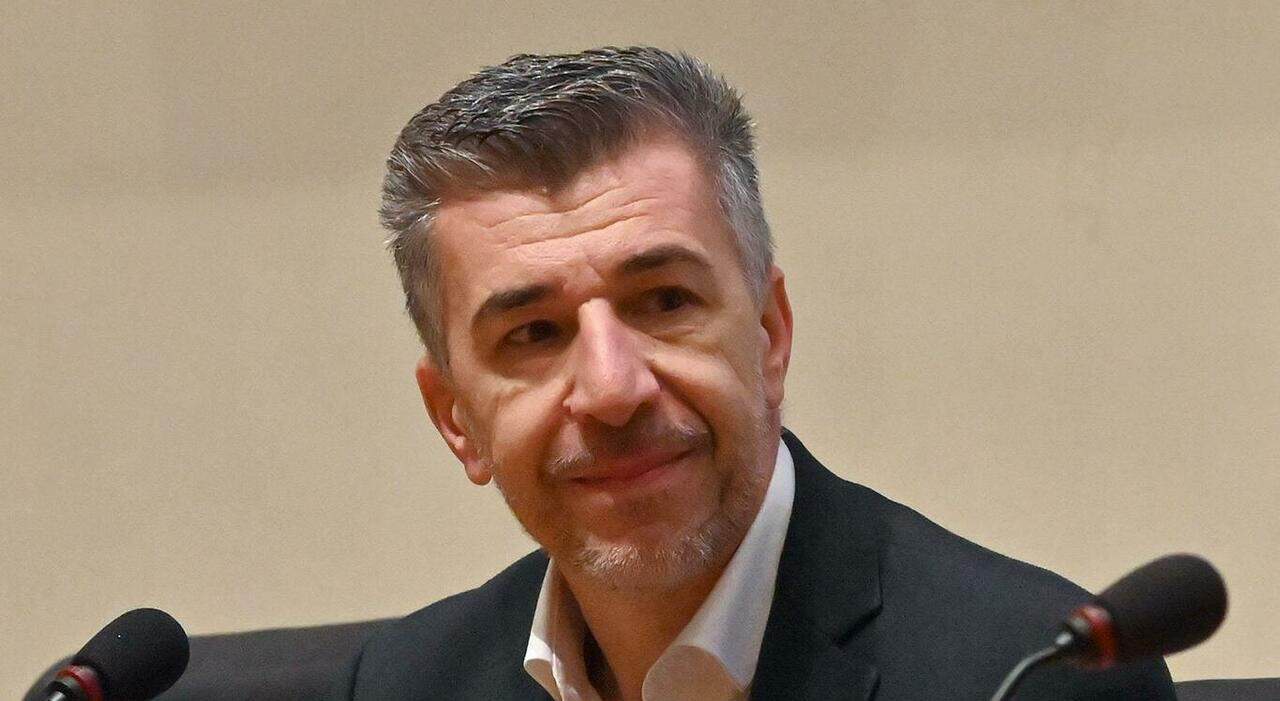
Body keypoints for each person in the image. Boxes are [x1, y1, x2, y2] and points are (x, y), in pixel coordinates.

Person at [329, 47, 1175, 700]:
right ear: (457, 419)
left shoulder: (1030, 676)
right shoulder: (406, 682)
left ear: (770, 334)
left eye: (665, 300)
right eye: (534, 333)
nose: (614, 389)